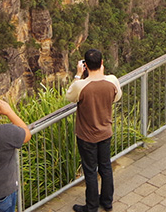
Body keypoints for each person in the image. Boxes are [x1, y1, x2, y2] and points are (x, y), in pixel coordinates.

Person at [65, 48, 123, 212]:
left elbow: (69, 97)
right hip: (105, 132)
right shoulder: (112, 81)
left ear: (85, 66)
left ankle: (91, 207)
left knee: (90, 171)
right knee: (105, 167)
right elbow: (117, 97)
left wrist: (77, 74)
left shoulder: (81, 86)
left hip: (86, 136)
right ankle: (107, 202)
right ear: (102, 63)